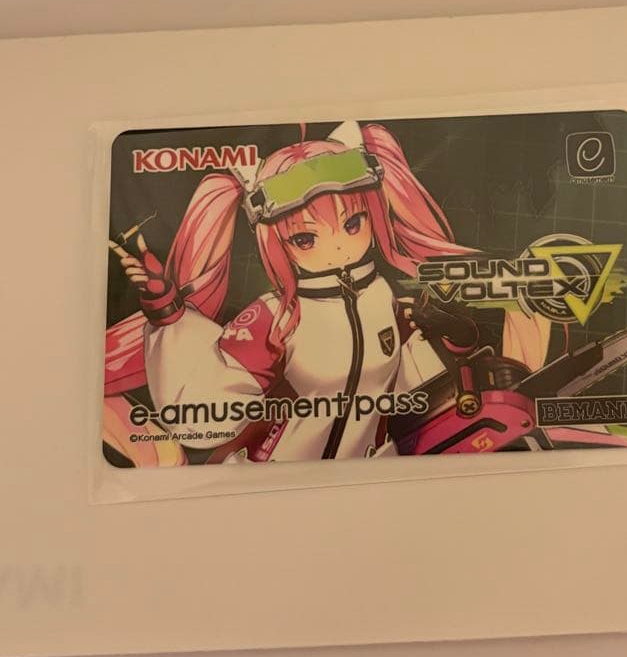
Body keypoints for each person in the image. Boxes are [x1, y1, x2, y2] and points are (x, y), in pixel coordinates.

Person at [104, 120, 553, 466]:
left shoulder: (382, 296)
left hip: (373, 476)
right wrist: (167, 311)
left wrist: (456, 345)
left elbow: (407, 389)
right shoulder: (276, 317)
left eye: (353, 223)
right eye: (306, 238)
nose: (338, 245)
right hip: (272, 481)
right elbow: (207, 413)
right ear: (276, 243)